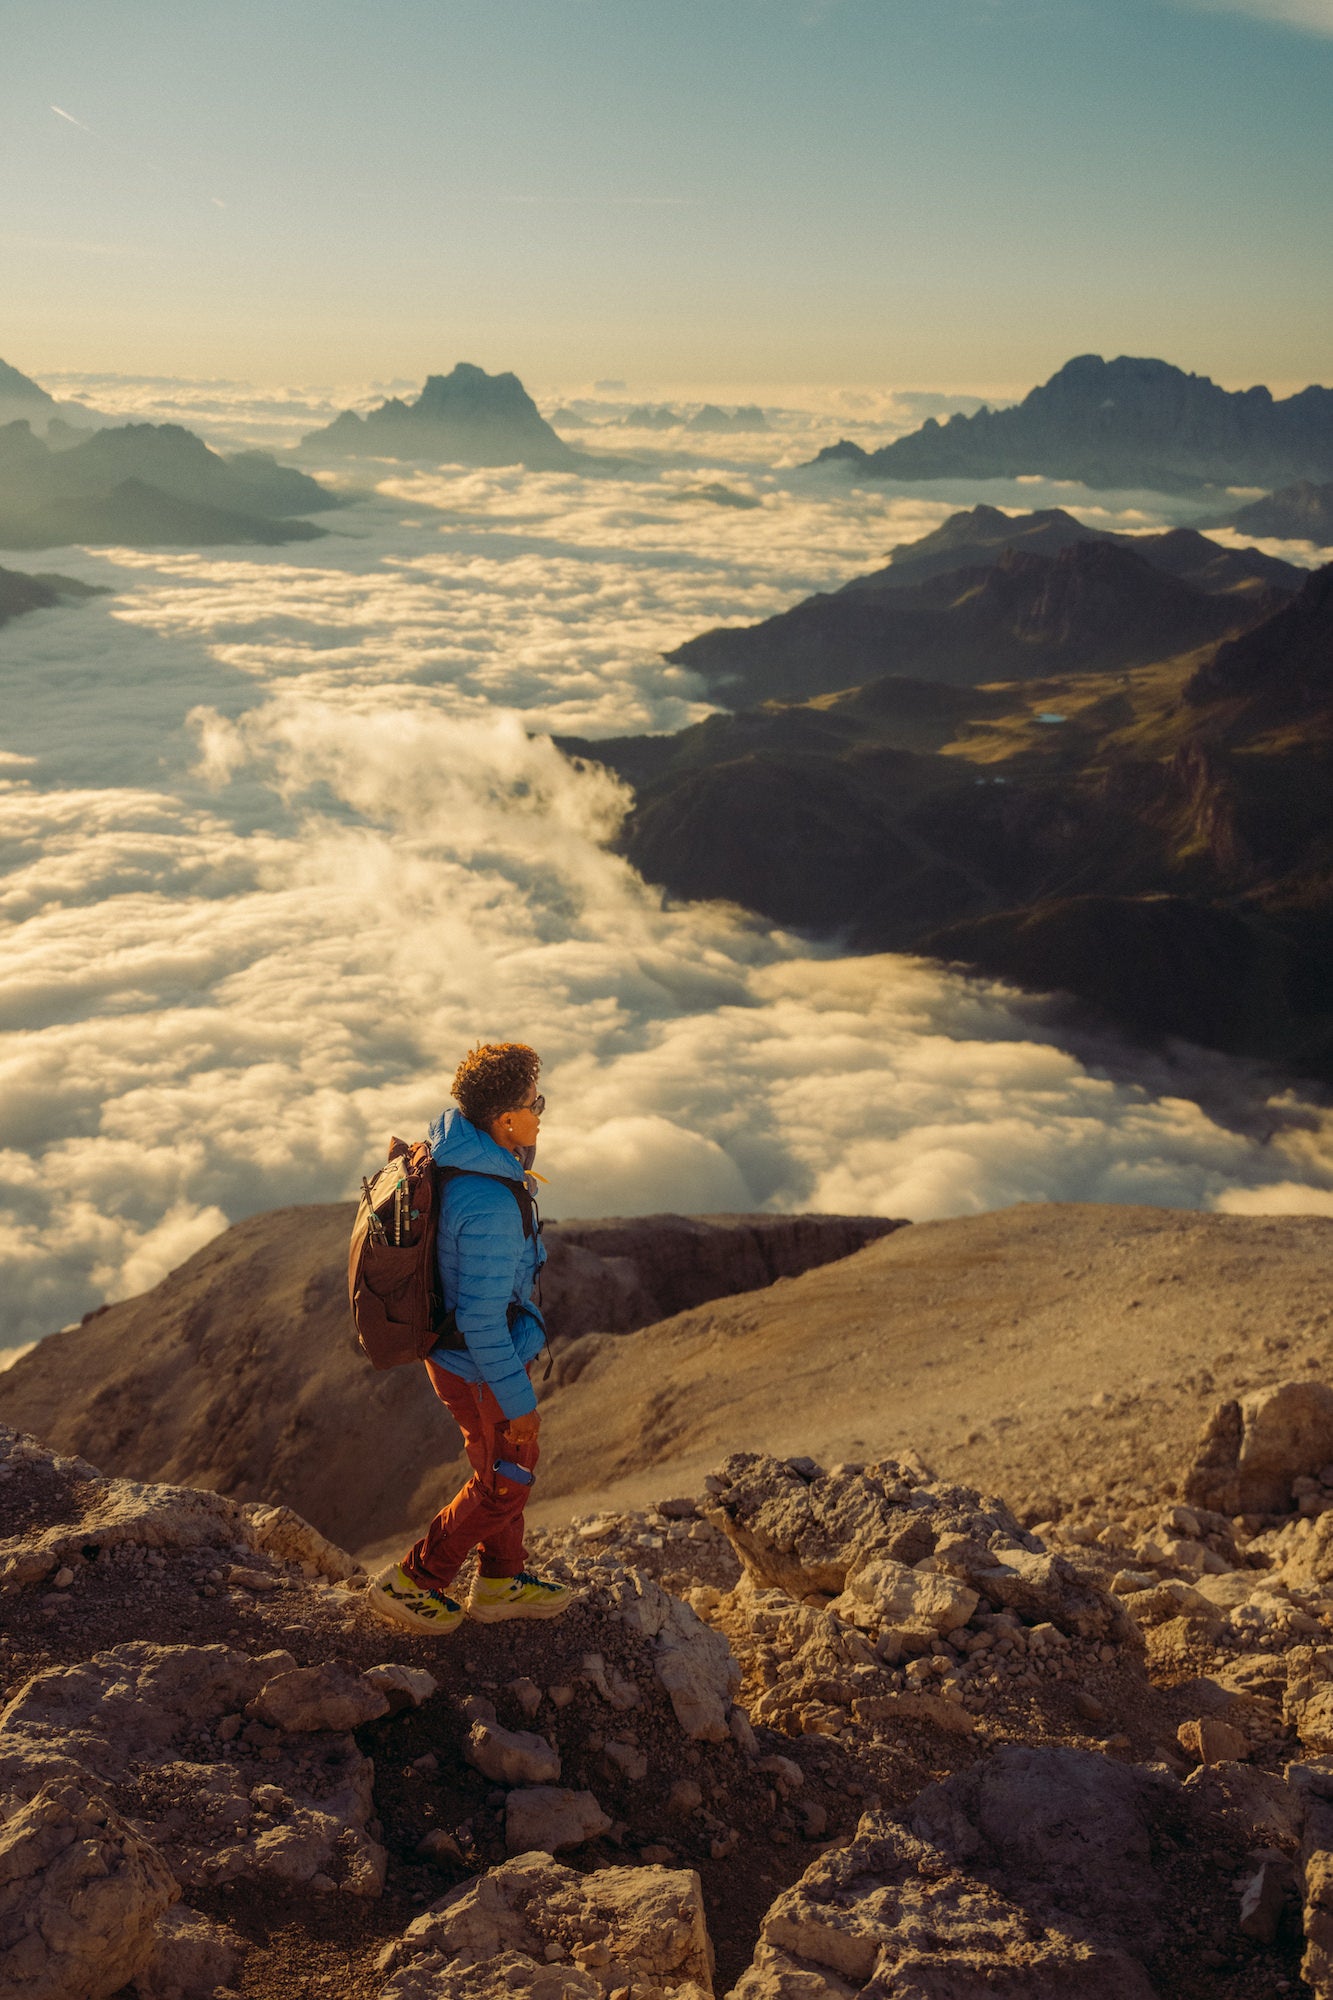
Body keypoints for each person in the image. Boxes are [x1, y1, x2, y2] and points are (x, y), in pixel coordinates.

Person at [368, 1041, 573, 1635]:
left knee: (499, 1465)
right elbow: (482, 1320)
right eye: (535, 1102)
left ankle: (502, 1580)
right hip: (480, 1363)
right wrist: (519, 1403)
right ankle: (414, 1582)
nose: (542, 1111)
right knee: (509, 1476)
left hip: (463, 1354)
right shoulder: (488, 1204)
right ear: (505, 1120)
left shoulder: (458, 1151)